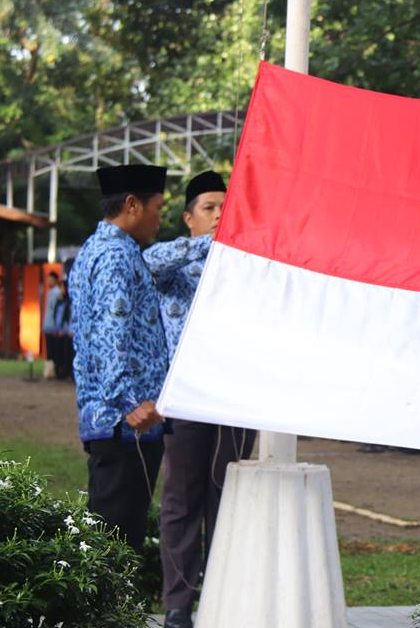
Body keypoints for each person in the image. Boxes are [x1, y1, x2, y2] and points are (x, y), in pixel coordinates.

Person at [142, 171, 257, 628]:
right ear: (188, 218)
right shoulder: (175, 265)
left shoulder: (246, 267)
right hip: (186, 399)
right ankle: (178, 604)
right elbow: (149, 262)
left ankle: (223, 599)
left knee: (227, 499)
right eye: (209, 208)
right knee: (181, 501)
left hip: (235, 399)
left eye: (225, 208)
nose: (218, 215)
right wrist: (215, 243)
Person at [70, 164, 169, 554]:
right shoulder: (115, 256)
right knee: (115, 548)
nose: (160, 219)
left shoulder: (100, 248)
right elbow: (110, 337)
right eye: (158, 208)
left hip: (116, 425)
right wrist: (131, 403)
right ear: (132, 204)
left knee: (111, 543)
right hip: (124, 425)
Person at [42, 271, 64, 378]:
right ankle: (50, 370)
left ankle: (53, 371)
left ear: (55, 280)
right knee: (50, 350)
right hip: (48, 325)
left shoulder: (56, 293)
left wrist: (57, 326)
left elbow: (57, 311)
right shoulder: (50, 292)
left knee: (53, 350)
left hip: (53, 326)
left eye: (50, 279)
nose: (48, 281)